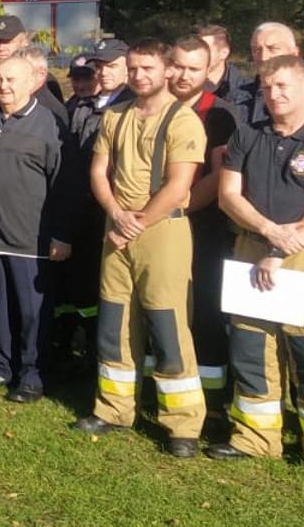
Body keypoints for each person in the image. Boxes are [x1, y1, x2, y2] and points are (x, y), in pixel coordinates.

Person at [211, 55, 304, 484]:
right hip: (251, 249)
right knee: (251, 348)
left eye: (284, 86)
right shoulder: (246, 136)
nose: (274, 94)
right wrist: (267, 231)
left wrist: (285, 243)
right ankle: (255, 438)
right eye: (268, 87)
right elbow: (228, 196)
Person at [73, 39, 207, 458]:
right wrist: (115, 213)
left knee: (167, 326)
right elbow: (99, 171)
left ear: (167, 70)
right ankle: (113, 409)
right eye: (132, 68)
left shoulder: (183, 121)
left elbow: (179, 185)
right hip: (118, 228)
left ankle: (182, 424)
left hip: (161, 231)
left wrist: (136, 223)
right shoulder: (114, 115)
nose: (138, 76)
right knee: (113, 323)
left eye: (147, 68)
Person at [0, 57, 68, 403]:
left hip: (29, 240)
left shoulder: (49, 125)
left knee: (32, 313)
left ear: (32, 82)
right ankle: (2, 367)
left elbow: (64, 184)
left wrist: (61, 233)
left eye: (12, 79)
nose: (4, 85)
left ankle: (32, 374)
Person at [55, 38, 133, 363]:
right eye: (99, 66)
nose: (102, 73)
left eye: (111, 65)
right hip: (79, 211)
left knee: (107, 291)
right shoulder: (82, 105)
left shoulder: (130, 107)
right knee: (77, 284)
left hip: (114, 214)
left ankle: (98, 353)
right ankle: (73, 345)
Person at [169, 36, 237, 405]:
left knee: (206, 306)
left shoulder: (220, 114)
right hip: (158, 222)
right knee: (166, 304)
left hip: (202, 226)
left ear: (208, 70)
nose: (183, 75)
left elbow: (218, 176)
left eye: (193, 69)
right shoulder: (155, 107)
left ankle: (212, 395)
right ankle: (163, 385)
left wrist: (177, 208)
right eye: (177, 65)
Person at [194, 24, 243, 101]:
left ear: (224, 53)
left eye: (205, 49)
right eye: (195, 49)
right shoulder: (181, 85)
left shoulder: (245, 92)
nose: (198, 54)